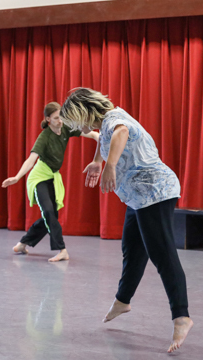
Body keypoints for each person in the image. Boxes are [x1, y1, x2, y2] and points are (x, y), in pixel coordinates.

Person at [60, 87, 193, 353]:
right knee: (132, 250)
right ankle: (123, 300)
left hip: (154, 192)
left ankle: (182, 316)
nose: (80, 127)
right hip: (138, 196)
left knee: (162, 254)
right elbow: (105, 139)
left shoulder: (113, 120)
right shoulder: (109, 118)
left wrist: (109, 165)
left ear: (85, 112)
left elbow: (121, 133)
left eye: (78, 120)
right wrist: (98, 161)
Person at [2, 102, 100, 262]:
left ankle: (24, 243)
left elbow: (91, 134)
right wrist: (17, 177)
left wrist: (99, 138)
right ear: (48, 119)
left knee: (51, 215)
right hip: (39, 177)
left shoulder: (66, 128)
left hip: (53, 176)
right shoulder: (45, 137)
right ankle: (62, 250)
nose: (60, 120)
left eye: (60, 116)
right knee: (48, 212)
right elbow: (31, 160)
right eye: (55, 118)